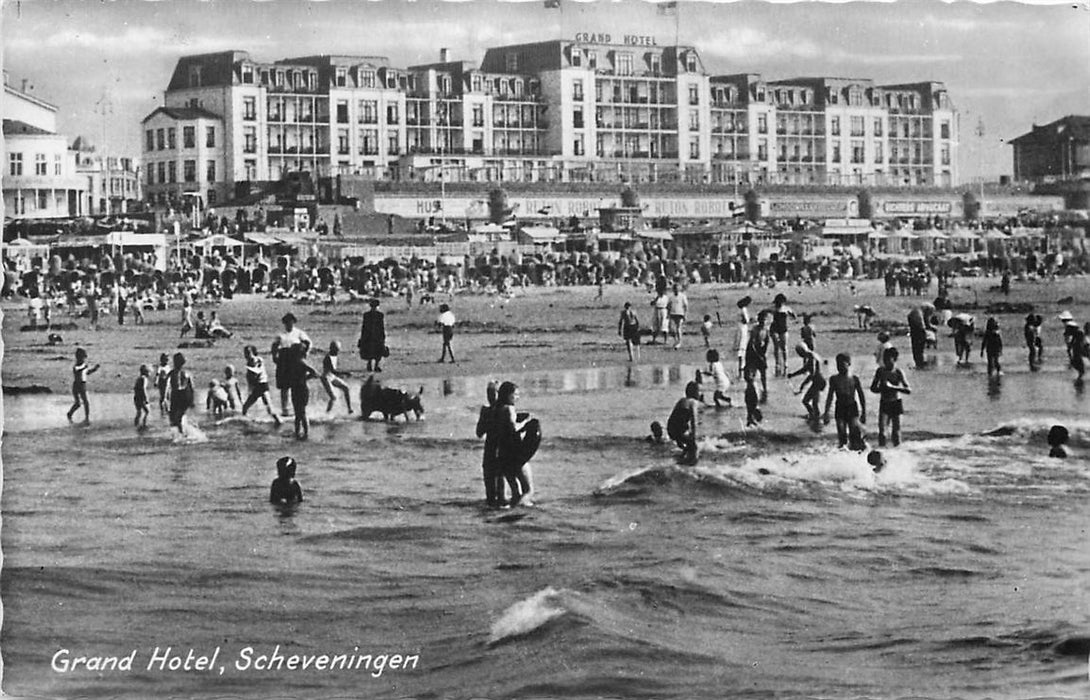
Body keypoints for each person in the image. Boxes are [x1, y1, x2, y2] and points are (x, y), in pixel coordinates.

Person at [495, 381, 536, 506]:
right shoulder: (509, 409)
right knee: (528, 490)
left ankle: (511, 516)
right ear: (508, 395)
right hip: (515, 453)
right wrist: (526, 423)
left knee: (515, 491)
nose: (518, 397)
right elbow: (513, 429)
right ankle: (520, 512)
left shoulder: (497, 409)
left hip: (502, 454)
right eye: (515, 394)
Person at [476, 381, 510, 508]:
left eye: (494, 393)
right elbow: (479, 433)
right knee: (490, 494)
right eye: (489, 394)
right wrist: (486, 419)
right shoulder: (485, 411)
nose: (491, 397)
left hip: (501, 452)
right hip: (489, 452)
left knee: (502, 494)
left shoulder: (506, 410)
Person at [823, 353, 867, 451]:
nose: (839, 367)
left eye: (842, 364)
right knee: (841, 433)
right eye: (837, 365)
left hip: (852, 407)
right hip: (840, 407)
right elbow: (830, 396)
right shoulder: (834, 379)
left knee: (854, 433)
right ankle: (843, 453)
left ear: (849, 364)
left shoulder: (854, 379)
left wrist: (864, 412)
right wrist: (826, 412)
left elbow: (861, 396)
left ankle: (855, 452)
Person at [272, 312, 312, 415]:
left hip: (295, 360)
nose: (289, 324)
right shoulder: (281, 334)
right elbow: (274, 346)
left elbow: (308, 343)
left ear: (293, 322)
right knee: (284, 386)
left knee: (296, 384)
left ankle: (299, 408)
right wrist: (274, 356)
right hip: (284, 360)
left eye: (290, 322)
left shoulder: (299, 333)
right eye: (286, 322)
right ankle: (284, 409)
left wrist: (305, 354)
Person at [870, 347, 910, 447]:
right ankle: (882, 452)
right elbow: (873, 388)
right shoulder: (880, 371)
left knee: (896, 433)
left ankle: (898, 455)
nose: (886, 361)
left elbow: (908, 390)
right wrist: (881, 388)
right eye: (884, 359)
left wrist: (893, 387)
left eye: (888, 359)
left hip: (896, 402)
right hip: (884, 403)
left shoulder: (898, 372)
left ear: (894, 359)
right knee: (882, 433)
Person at [242, 345, 282, 425]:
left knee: (268, 406)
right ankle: (246, 420)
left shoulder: (258, 360)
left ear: (253, 352)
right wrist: (250, 387)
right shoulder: (249, 362)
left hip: (262, 385)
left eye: (248, 353)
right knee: (246, 407)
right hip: (258, 386)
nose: (246, 355)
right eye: (245, 353)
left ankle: (278, 420)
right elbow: (251, 377)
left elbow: (256, 372)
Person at [666, 381, 702, 464]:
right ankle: (692, 465)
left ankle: (681, 460)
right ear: (695, 392)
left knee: (688, 446)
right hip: (679, 429)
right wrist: (694, 436)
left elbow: (674, 418)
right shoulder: (693, 402)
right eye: (699, 391)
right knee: (694, 447)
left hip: (671, 429)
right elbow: (694, 421)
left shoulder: (681, 400)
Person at [789, 344, 826, 422]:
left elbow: (812, 373)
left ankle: (814, 417)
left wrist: (803, 384)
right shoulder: (812, 355)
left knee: (805, 401)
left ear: (801, 352)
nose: (799, 355)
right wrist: (793, 374)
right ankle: (815, 416)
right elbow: (804, 369)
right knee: (814, 403)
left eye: (799, 353)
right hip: (820, 381)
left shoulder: (812, 358)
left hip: (818, 382)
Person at [66, 348, 100, 424]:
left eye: (84, 358)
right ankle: (70, 413)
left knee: (85, 402)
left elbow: (87, 372)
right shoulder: (76, 365)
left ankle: (87, 417)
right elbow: (77, 370)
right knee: (78, 403)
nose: (83, 359)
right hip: (77, 385)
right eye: (82, 357)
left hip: (83, 384)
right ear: (78, 357)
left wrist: (94, 369)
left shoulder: (83, 365)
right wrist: (84, 367)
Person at [166, 352, 195, 435]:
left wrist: (165, 397)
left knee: (174, 417)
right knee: (178, 417)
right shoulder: (187, 373)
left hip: (176, 396)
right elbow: (192, 388)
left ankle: (181, 434)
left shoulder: (172, 373)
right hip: (184, 396)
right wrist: (192, 400)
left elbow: (166, 386)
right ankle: (183, 432)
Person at [321, 340, 353, 413]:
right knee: (333, 397)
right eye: (336, 350)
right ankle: (327, 414)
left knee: (346, 388)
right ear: (331, 349)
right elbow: (334, 371)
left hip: (332, 377)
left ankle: (349, 409)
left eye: (338, 350)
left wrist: (344, 374)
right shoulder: (328, 357)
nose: (337, 352)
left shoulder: (335, 356)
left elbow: (336, 369)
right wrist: (345, 373)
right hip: (326, 378)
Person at [744, 311, 770, 402]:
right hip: (752, 353)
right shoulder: (755, 330)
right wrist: (759, 356)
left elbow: (767, 342)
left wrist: (764, 354)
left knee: (763, 372)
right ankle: (751, 389)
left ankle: (765, 389)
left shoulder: (766, 330)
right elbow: (752, 344)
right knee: (752, 373)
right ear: (759, 320)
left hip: (761, 352)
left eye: (765, 320)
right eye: (762, 320)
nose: (763, 322)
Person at [769, 293, 796, 376]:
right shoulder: (773, 309)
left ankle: (785, 363)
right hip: (775, 329)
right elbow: (765, 312)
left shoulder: (786, 309)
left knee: (784, 347)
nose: (780, 303)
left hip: (783, 329)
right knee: (776, 347)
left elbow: (794, 316)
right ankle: (778, 363)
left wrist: (791, 316)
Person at [358, 298, 387, 372]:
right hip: (371, 335)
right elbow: (364, 327)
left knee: (377, 351)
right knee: (372, 351)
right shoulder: (375, 315)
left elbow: (382, 326)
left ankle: (375, 365)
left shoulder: (376, 315)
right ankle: (370, 365)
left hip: (375, 335)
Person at [907, 302, 935, 369]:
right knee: (919, 348)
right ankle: (920, 364)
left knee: (915, 348)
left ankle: (918, 362)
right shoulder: (919, 313)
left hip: (914, 331)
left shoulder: (916, 311)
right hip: (919, 331)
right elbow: (924, 324)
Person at [734, 296, 753, 377]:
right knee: (742, 346)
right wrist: (751, 320)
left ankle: (740, 367)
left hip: (739, 327)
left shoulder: (739, 310)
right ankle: (742, 367)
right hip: (743, 329)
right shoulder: (744, 309)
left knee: (740, 345)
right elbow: (745, 320)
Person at [667, 283, 689, 349]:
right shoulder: (671, 297)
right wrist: (668, 313)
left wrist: (685, 314)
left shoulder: (682, 296)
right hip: (672, 313)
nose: (676, 290)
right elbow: (669, 305)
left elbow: (686, 306)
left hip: (680, 313)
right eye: (674, 289)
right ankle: (676, 340)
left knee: (678, 328)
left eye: (677, 289)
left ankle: (679, 342)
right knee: (671, 328)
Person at [133, 364, 151, 429]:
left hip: (136, 398)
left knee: (139, 412)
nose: (150, 374)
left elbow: (135, 388)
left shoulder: (139, 378)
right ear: (146, 372)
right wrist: (146, 398)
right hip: (141, 398)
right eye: (149, 372)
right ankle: (144, 424)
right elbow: (143, 389)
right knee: (147, 411)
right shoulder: (144, 379)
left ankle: (136, 424)